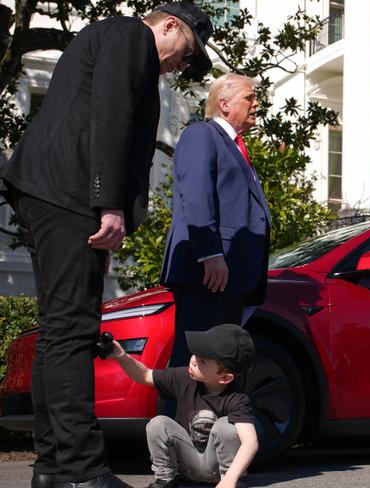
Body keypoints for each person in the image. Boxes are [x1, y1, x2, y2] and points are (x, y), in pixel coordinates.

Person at [0, 3, 213, 488]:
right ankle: (80, 471)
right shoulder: (128, 37)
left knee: (60, 332)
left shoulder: (110, 38)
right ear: (168, 25)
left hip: (50, 193)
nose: (183, 65)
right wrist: (109, 203)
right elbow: (112, 115)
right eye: (187, 53)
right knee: (74, 332)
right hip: (70, 195)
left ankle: (54, 468)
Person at [160, 73, 271, 368]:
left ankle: (207, 416)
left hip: (231, 275)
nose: (256, 104)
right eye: (250, 97)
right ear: (224, 103)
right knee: (194, 363)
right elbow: (196, 195)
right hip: (208, 273)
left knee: (218, 365)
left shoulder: (236, 146)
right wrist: (210, 253)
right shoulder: (202, 134)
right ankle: (175, 416)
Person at [109, 324, 258, 488]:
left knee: (227, 426)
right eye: (195, 354)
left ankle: (231, 482)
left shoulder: (237, 399)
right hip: (188, 466)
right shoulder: (184, 377)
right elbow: (144, 375)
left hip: (220, 473)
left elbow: (250, 442)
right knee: (159, 423)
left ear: (224, 378)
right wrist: (121, 356)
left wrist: (229, 480)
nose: (193, 360)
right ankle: (166, 480)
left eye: (203, 361)